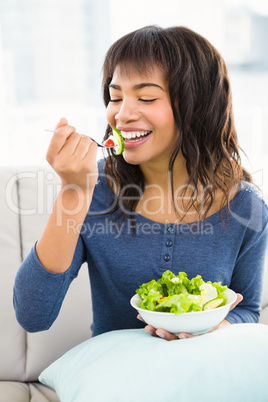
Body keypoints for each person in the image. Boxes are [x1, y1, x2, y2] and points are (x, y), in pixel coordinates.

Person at [14, 25, 268, 341]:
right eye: (115, 97)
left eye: (146, 97)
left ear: (197, 105)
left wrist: (215, 329)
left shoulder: (246, 207)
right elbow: (32, 315)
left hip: (200, 373)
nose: (122, 114)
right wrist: (73, 192)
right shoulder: (95, 189)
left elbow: (247, 309)